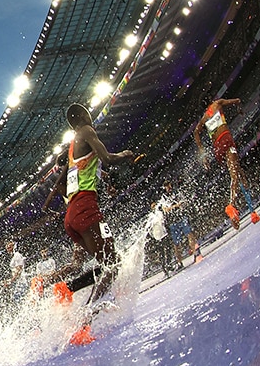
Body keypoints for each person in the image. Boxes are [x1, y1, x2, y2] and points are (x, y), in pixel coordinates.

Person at [58, 103, 138, 344]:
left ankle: (67, 289)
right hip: (86, 209)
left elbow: (72, 179)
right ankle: (84, 323)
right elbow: (107, 158)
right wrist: (125, 155)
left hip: (72, 214)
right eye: (87, 112)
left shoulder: (73, 146)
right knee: (113, 264)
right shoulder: (86, 131)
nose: (90, 115)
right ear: (81, 117)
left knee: (107, 263)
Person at [193, 97, 260, 228]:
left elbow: (196, 132)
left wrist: (202, 153)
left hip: (217, 148)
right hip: (226, 140)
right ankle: (232, 205)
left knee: (240, 175)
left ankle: (252, 211)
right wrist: (239, 109)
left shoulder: (204, 118)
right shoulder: (217, 104)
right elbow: (237, 100)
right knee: (235, 176)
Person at [147, 200, 180, 277]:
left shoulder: (159, 212)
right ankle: (165, 269)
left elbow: (163, 220)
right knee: (161, 252)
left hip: (164, 233)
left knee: (168, 249)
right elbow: (149, 227)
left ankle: (168, 264)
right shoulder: (151, 216)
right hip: (157, 236)